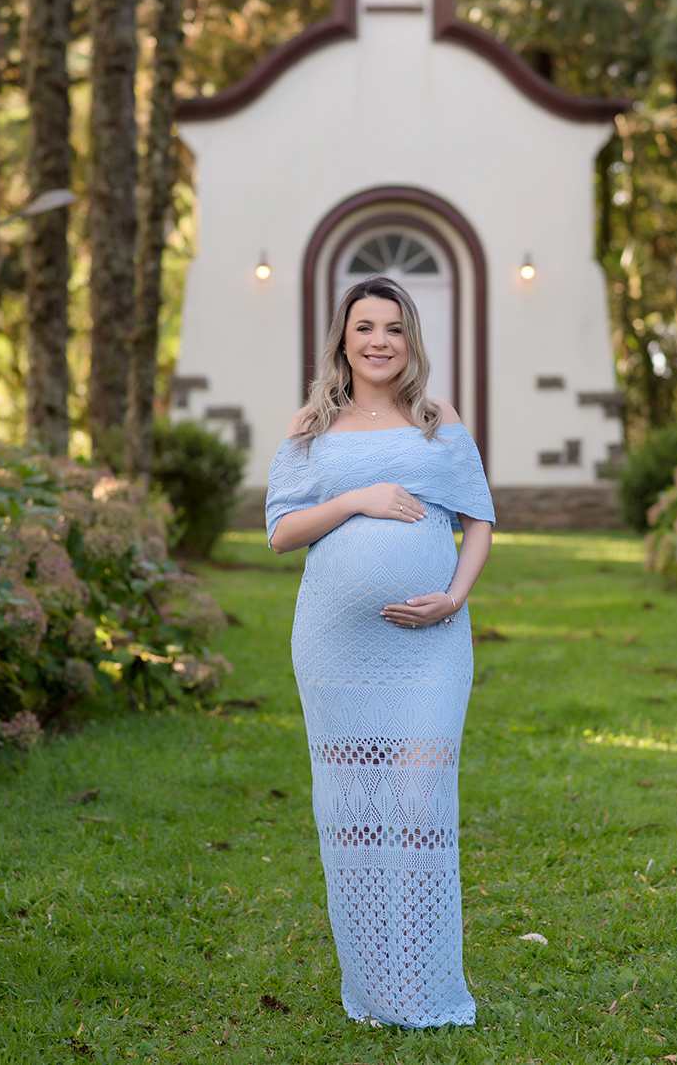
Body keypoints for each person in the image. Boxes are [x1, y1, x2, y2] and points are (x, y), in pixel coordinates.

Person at [266, 275, 494, 1030]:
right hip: (335, 645)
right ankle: (375, 990)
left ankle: (424, 986)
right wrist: (356, 501)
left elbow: (479, 521)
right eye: (364, 327)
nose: (379, 341)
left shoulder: (437, 419)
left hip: (430, 645)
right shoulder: (313, 421)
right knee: (352, 818)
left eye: (393, 328)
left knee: (420, 803)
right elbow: (281, 531)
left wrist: (455, 597)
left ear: (410, 339)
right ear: (343, 339)